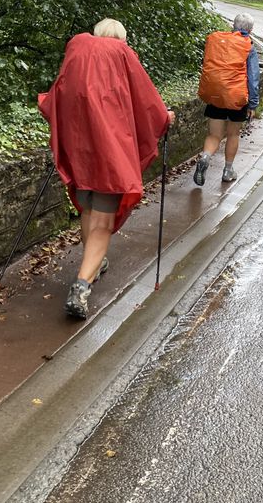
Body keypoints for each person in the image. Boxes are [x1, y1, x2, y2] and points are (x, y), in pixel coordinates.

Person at [38, 18, 175, 320]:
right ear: (122, 40)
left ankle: (95, 264)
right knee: (102, 220)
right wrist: (165, 118)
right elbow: (146, 102)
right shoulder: (122, 56)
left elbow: (56, 96)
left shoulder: (77, 54)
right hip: (109, 155)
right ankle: (82, 286)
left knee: (88, 209)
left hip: (79, 151)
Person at [193, 13, 260, 186]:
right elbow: (253, 79)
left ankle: (205, 157)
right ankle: (228, 170)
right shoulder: (248, 47)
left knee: (214, 135)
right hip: (237, 98)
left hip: (216, 95)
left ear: (233, 26)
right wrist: (253, 104)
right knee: (233, 134)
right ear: (250, 30)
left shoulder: (218, 42)